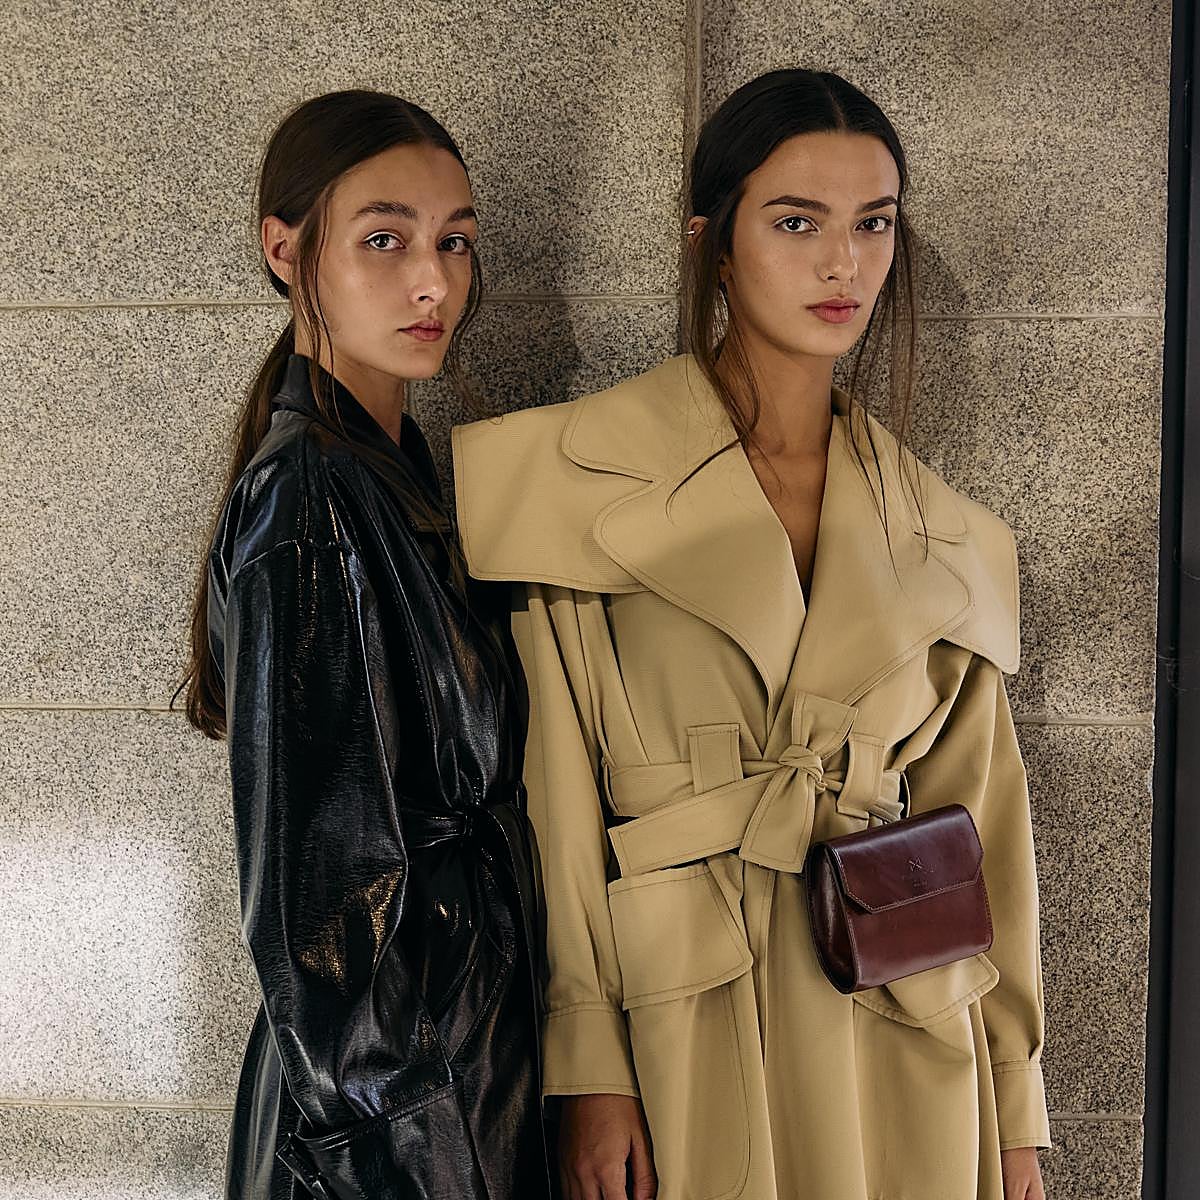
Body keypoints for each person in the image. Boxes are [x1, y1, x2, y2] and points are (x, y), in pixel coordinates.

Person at [452, 69, 1049, 1200]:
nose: (843, 264)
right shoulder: (572, 479)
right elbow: (557, 802)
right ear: (712, 241)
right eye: (796, 222)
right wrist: (588, 1064)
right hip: (686, 1013)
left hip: (907, 1022)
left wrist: (1015, 1111)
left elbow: (992, 837)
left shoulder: (951, 535)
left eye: (873, 224)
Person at [181, 90, 553, 1200]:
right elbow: (320, 921)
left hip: (462, 1070)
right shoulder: (311, 503)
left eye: (454, 243)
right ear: (285, 249)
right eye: (384, 240)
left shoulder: (392, 478)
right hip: (399, 1124)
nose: (433, 279)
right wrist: (410, 1160)